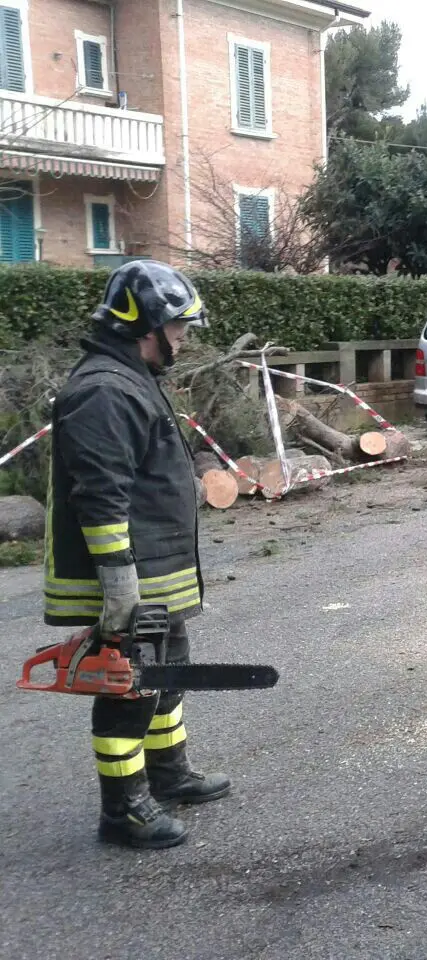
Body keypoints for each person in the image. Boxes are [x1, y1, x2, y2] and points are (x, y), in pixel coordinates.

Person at [45, 259, 229, 849]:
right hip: (133, 578)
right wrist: (120, 586)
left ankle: (169, 775)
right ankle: (123, 810)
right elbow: (100, 497)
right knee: (130, 690)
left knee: (163, 679)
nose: (183, 337)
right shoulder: (103, 389)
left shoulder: (133, 378)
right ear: (145, 323)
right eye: (177, 326)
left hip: (159, 573)